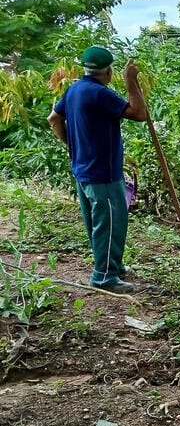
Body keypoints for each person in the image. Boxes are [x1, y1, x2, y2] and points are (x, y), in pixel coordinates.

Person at [47, 46, 147, 294]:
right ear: (108, 72)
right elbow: (140, 113)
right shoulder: (100, 93)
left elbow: (53, 118)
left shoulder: (74, 90)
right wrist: (131, 81)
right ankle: (104, 276)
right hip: (102, 173)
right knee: (111, 222)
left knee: (98, 222)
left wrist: (71, 144)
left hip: (83, 169)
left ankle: (111, 266)